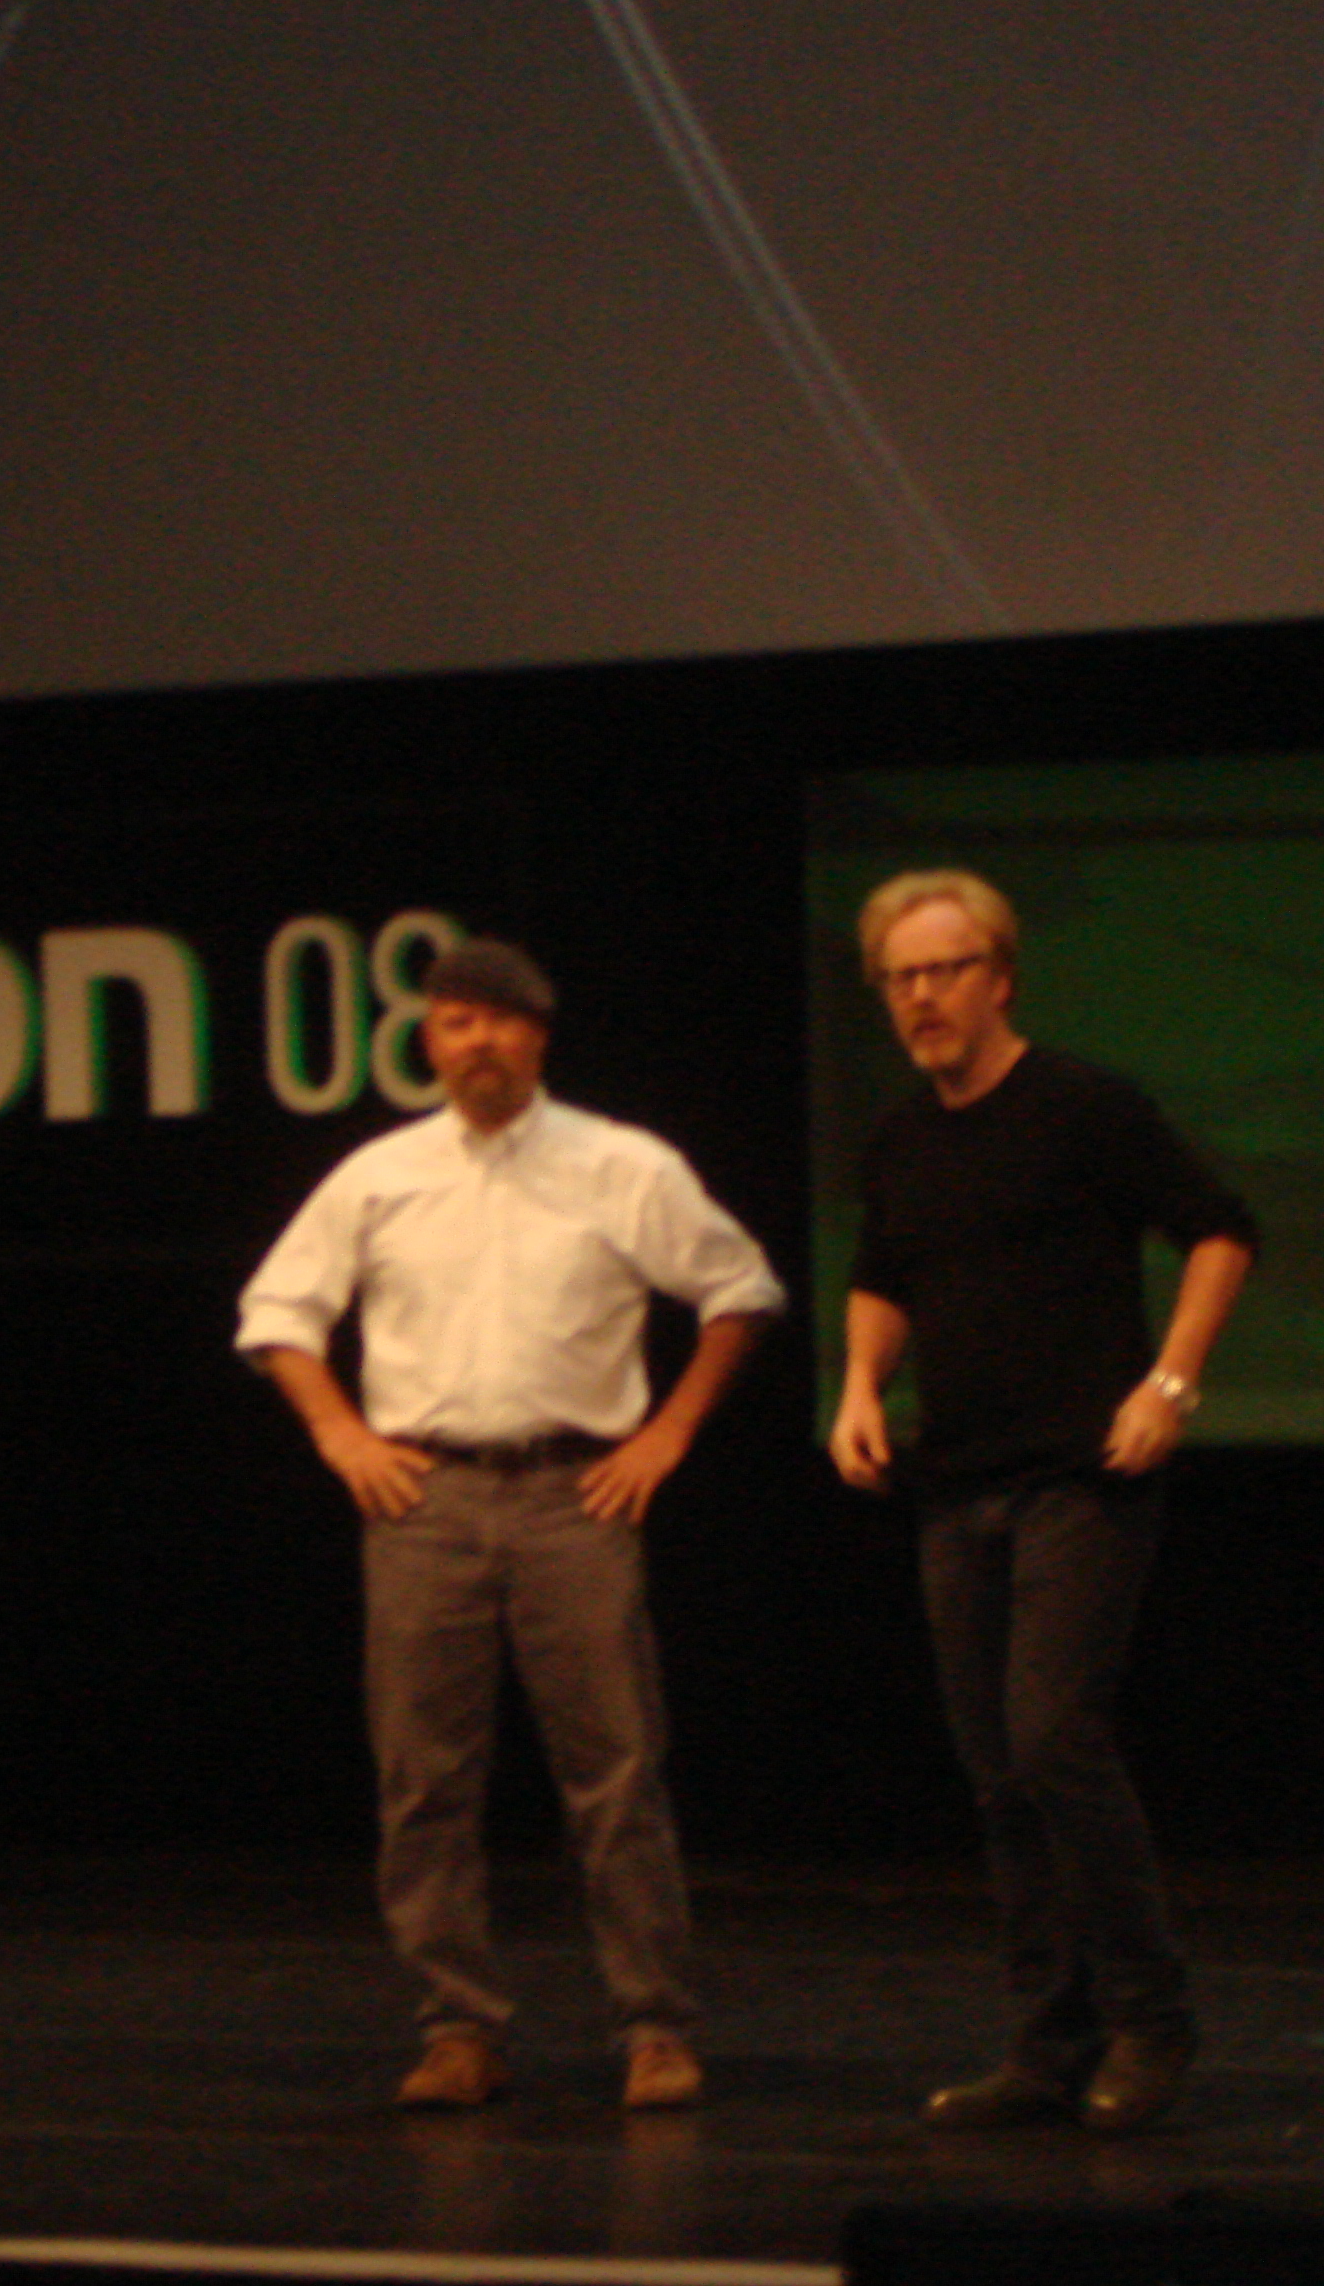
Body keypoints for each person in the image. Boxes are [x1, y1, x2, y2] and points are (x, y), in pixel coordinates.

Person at [238, 936, 781, 2114]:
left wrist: (668, 1433)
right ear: (430, 1042)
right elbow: (277, 1310)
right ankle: (457, 2029)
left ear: (538, 1035)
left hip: (573, 1494)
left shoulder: (620, 1163)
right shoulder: (379, 1175)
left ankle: (654, 2027)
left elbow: (740, 1289)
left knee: (616, 1773)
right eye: (455, 1021)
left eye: (499, 1020)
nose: (478, 1040)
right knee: (423, 1779)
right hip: (424, 1499)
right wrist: (339, 1434)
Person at [829, 869, 1256, 2135]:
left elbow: (1221, 1229)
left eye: (945, 970)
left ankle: (1151, 2021)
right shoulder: (900, 1138)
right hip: (956, 1482)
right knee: (996, 1776)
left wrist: (1171, 1383)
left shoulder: (1083, 1107)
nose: (922, 996)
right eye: (901, 978)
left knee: (1053, 1739)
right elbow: (883, 1276)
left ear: (1001, 977)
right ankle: (1047, 2045)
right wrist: (856, 1389)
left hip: (1082, 1476)